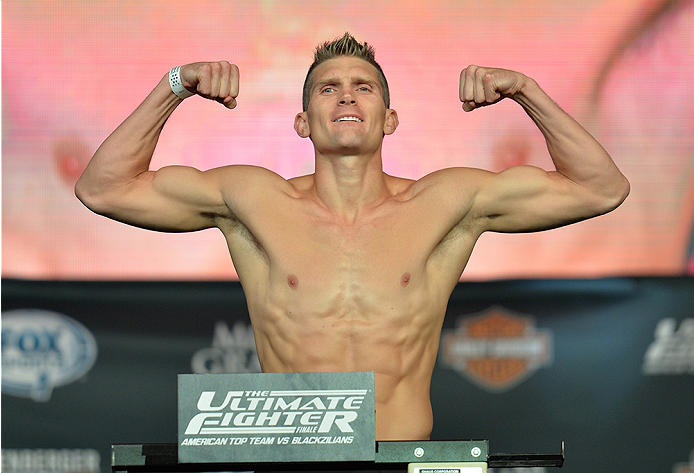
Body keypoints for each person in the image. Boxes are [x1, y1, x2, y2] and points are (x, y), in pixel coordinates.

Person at [75, 33, 629, 441]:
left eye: (362, 88)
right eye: (327, 89)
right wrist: (174, 86)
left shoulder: (445, 203)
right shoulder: (254, 201)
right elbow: (104, 189)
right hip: (290, 459)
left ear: (389, 119)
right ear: (301, 121)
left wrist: (526, 91)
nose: (345, 98)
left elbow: (600, 188)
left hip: (402, 456)